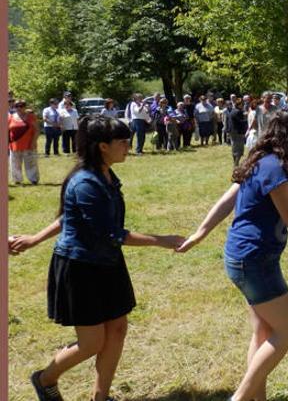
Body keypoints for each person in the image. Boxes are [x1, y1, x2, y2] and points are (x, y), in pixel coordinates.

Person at [176, 111, 288, 401]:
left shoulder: (261, 160)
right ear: (284, 134)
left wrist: (201, 232)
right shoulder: (274, 169)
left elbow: (229, 198)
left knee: (263, 331)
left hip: (241, 258)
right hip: (255, 262)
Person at [9, 116, 183, 401]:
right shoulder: (86, 183)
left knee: (117, 330)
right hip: (81, 268)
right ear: (103, 146)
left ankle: (100, 397)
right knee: (91, 343)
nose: (128, 146)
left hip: (108, 263)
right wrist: (162, 240)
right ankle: (45, 378)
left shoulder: (106, 175)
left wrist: (35, 238)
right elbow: (111, 234)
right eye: (123, 142)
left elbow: (70, 216)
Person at [8, 100, 40, 184]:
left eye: (21, 106)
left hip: (29, 145)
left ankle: (33, 179)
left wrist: (33, 142)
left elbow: (37, 130)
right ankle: (17, 180)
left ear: (25, 107)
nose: (19, 108)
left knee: (31, 163)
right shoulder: (10, 117)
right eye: (16, 106)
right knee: (15, 164)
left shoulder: (31, 116)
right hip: (14, 145)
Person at [228, 97, 248, 166]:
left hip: (232, 132)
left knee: (234, 147)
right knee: (239, 148)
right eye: (242, 104)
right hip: (238, 132)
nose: (243, 106)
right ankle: (236, 164)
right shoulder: (238, 112)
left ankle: (235, 162)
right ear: (239, 105)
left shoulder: (233, 111)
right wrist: (247, 118)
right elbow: (241, 122)